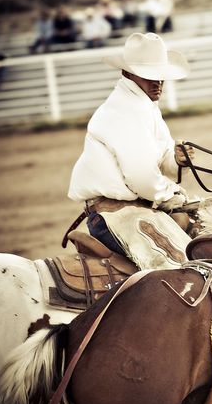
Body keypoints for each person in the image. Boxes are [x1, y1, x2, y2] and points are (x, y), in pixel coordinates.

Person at [68, 32, 195, 270]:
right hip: (114, 216)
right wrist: (171, 193)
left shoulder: (143, 105)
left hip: (128, 211)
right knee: (177, 269)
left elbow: (161, 159)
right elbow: (142, 176)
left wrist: (176, 160)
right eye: (149, 76)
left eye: (160, 76)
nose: (157, 82)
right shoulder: (126, 110)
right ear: (127, 74)